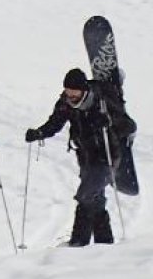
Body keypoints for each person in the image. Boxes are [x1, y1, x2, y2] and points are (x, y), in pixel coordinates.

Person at [25, 68, 118, 247]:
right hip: (85, 156)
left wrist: (108, 122)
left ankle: (78, 242)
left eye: (74, 92)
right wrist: (39, 133)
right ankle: (105, 244)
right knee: (95, 199)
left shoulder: (101, 101)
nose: (70, 96)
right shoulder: (66, 102)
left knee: (86, 196)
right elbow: (55, 123)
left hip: (107, 155)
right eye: (67, 92)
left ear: (84, 90)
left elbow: (128, 126)